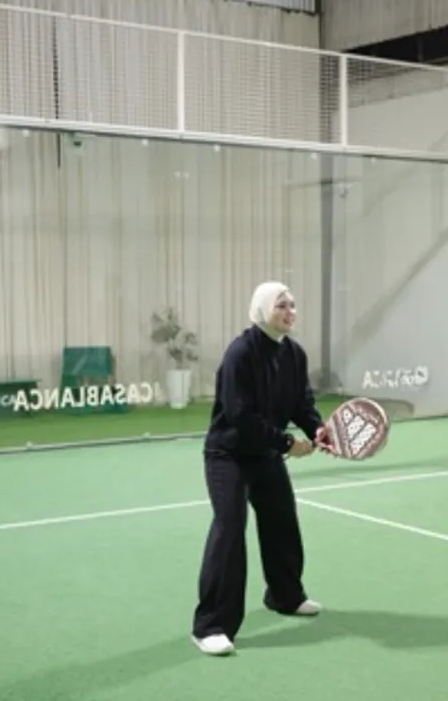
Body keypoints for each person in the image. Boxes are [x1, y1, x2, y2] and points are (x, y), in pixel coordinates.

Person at [190, 280, 334, 656]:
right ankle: (210, 626)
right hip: (228, 455)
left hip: (265, 456)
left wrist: (316, 429)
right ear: (261, 310)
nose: (289, 312)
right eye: (281, 305)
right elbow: (240, 415)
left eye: (292, 305)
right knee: (229, 528)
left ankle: (285, 596)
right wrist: (287, 444)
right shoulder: (240, 353)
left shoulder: (294, 354)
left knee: (282, 521)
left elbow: (301, 403)